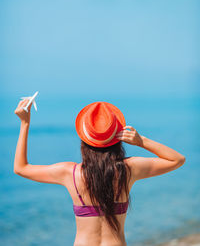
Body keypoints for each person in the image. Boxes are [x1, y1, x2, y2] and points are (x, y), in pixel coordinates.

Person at [14, 100, 186, 246]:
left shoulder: (70, 173)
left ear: (85, 139)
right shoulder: (128, 169)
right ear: (117, 138)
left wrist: (25, 123)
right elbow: (177, 160)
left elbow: (20, 168)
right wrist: (141, 141)